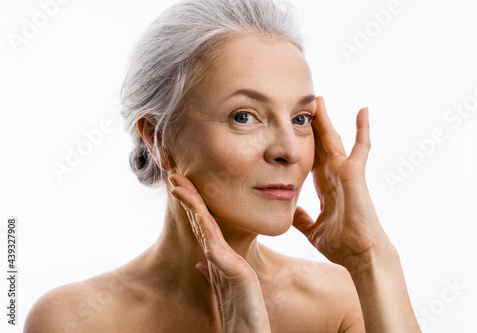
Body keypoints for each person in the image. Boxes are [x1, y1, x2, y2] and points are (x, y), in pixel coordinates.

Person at [24, 0, 421, 332]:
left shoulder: (338, 301)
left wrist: (370, 257)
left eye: (301, 119)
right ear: (158, 139)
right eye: (245, 117)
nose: (290, 150)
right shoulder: (72, 319)